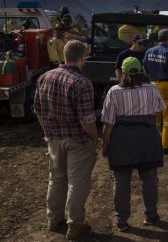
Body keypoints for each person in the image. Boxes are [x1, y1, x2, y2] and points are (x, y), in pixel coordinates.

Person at [34, 40, 98, 240]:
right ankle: (76, 224)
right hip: (77, 140)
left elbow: (38, 109)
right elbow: (87, 119)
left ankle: (54, 219)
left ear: (64, 56)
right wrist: (94, 139)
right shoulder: (82, 82)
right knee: (77, 183)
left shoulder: (44, 77)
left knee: (56, 179)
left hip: (53, 138)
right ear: (81, 58)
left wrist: (47, 130)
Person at [101, 57, 165, 232]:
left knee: (121, 181)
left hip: (122, 142)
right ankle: (150, 215)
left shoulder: (114, 91)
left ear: (121, 72)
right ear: (141, 71)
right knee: (150, 179)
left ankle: (121, 220)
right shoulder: (152, 87)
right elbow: (159, 110)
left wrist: (105, 145)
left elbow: (108, 123)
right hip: (147, 139)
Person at [143, 29, 168, 154]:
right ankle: (167, 146)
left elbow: (145, 69)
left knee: (155, 117)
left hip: (153, 85)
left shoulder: (149, 52)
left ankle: (153, 141)